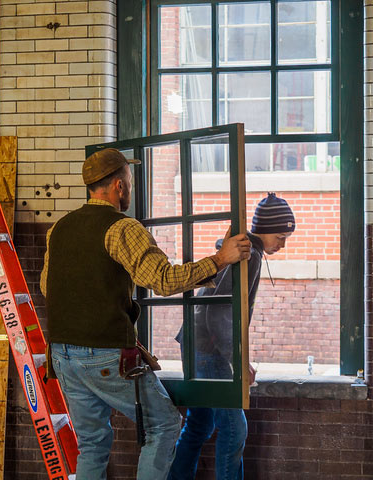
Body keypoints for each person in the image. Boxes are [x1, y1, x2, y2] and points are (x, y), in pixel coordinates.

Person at [40, 148, 252, 479]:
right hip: (104, 355)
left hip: (61, 356)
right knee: (165, 425)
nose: (131, 189)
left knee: (92, 444)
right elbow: (164, 280)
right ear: (119, 187)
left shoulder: (60, 229)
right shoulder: (122, 228)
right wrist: (220, 260)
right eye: (129, 181)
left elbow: (47, 288)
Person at [168, 193, 296, 480]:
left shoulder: (249, 251)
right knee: (234, 427)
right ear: (263, 228)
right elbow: (218, 313)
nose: (283, 244)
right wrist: (239, 361)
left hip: (194, 342)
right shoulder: (248, 255)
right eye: (281, 236)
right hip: (206, 347)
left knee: (199, 424)